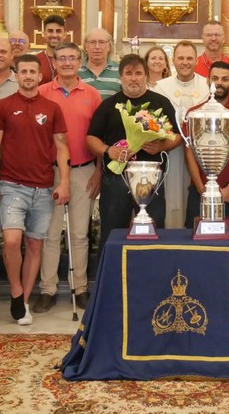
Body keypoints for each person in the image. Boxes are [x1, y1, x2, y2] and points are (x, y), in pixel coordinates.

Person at [0, 54, 70, 325]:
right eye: (23, 71)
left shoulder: (52, 108)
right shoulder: (4, 106)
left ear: (40, 75)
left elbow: (61, 147)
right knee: (11, 241)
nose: (29, 76)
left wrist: (64, 182)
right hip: (12, 186)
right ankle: (15, 291)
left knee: (34, 244)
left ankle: (23, 300)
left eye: (33, 71)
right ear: (16, 74)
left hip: (43, 187)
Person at [86, 54, 182, 247]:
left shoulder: (161, 103)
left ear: (146, 76)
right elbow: (90, 138)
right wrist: (107, 150)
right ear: (121, 77)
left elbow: (178, 136)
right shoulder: (108, 105)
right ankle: (112, 276)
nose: (133, 78)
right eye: (128, 73)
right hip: (116, 179)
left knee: (153, 232)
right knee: (113, 233)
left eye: (138, 73)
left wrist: (161, 146)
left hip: (151, 180)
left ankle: (151, 275)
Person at [35, 42, 103, 313]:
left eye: (72, 58)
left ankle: (80, 287)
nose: (66, 63)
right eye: (61, 58)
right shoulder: (41, 92)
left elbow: (99, 136)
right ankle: (47, 289)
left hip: (83, 169)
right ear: (54, 61)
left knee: (79, 233)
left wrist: (98, 170)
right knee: (50, 233)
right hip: (49, 171)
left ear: (80, 61)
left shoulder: (92, 94)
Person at [184, 61, 229, 232]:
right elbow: (190, 154)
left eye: (224, 79)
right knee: (197, 247)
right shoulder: (194, 113)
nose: (219, 83)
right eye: (215, 78)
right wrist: (202, 190)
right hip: (200, 192)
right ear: (208, 81)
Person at [153, 41, 209, 228]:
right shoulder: (160, 88)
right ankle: (172, 237)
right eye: (181, 58)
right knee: (173, 196)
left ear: (196, 60)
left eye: (189, 58)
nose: (185, 62)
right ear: (173, 61)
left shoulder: (208, 85)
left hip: (201, 154)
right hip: (171, 152)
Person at [195, 20, 229, 102]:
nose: (213, 38)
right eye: (209, 35)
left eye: (217, 35)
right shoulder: (194, 65)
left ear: (224, 38)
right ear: (202, 38)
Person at [79, 28, 121, 100]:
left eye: (102, 42)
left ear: (109, 47)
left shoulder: (121, 70)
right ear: (85, 46)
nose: (97, 47)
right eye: (92, 42)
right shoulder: (76, 70)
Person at [36, 15, 66, 86]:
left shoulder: (71, 60)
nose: (54, 35)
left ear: (64, 35)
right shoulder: (35, 60)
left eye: (58, 31)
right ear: (44, 34)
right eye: (50, 31)